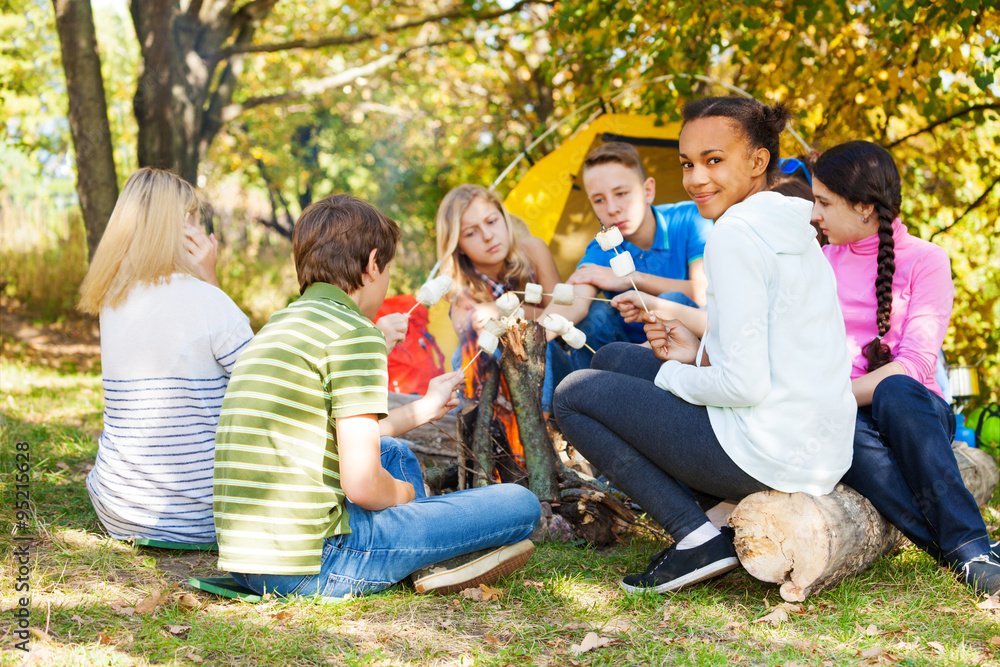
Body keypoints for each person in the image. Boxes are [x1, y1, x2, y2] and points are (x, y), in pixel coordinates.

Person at [554, 96, 856, 593]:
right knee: (611, 359)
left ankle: (696, 537)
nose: (696, 179)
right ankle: (717, 512)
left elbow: (744, 384)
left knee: (574, 394)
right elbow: (774, 348)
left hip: (768, 451)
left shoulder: (733, 236)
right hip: (816, 447)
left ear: (758, 162)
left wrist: (677, 374)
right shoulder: (790, 224)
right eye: (688, 164)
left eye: (714, 161)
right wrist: (694, 351)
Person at [214, 194, 540, 600]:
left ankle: (425, 558)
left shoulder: (280, 324)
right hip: (317, 563)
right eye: (386, 270)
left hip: (250, 562)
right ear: (372, 265)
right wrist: (405, 499)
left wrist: (423, 408)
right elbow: (363, 485)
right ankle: (429, 558)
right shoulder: (355, 333)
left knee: (396, 454)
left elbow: (336, 438)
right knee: (521, 503)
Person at [811, 140, 1000, 596]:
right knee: (841, 428)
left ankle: (967, 542)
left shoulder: (926, 260)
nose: (813, 214)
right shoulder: (815, 262)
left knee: (893, 389)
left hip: (914, 411)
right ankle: (967, 552)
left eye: (822, 202)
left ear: (862, 208)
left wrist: (828, 399)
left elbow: (913, 366)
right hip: (846, 417)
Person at [78, 167, 254, 544]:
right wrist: (212, 282)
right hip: (197, 519)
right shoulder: (208, 301)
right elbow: (260, 383)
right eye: (193, 218)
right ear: (181, 228)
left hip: (117, 508)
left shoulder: (113, 298)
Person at [560, 142, 712, 356]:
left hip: (688, 346)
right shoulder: (602, 247)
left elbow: (705, 293)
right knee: (593, 315)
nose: (612, 209)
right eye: (599, 200)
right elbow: (576, 302)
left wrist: (633, 278)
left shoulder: (689, 219)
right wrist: (534, 328)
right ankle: (593, 383)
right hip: (625, 351)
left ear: (648, 190)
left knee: (671, 301)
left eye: (621, 193)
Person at [435, 184, 569, 418]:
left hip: (559, 370)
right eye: (471, 233)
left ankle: (537, 429)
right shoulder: (461, 288)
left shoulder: (533, 251)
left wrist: (501, 308)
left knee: (528, 335)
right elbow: (469, 344)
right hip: (506, 388)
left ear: (504, 218)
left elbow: (561, 315)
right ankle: (491, 433)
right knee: (468, 350)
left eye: (491, 221)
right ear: (459, 246)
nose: (488, 236)